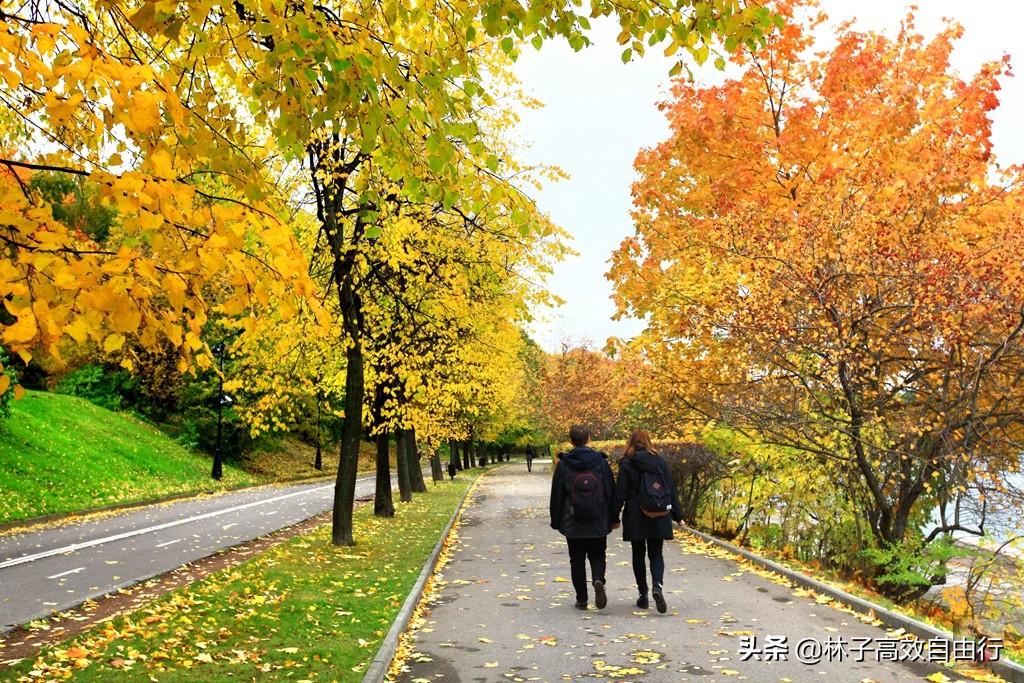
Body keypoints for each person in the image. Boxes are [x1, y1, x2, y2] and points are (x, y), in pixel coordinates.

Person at [549, 425, 619, 610]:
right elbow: (610, 491)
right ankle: (598, 579)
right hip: (598, 517)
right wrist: (613, 517)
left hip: (573, 520)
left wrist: (556, 521)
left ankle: (581, 599)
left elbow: (557, 493)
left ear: (571, 441)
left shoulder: (564, 463)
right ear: (589, 439)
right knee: (598, 553)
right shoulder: (600, 462)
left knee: (576, 558)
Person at [615, 429, 684, 614]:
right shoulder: (659, 462)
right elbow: (670, 488)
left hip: (635, 514)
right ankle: (657, 587)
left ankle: (643, 595)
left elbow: (620, 492)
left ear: (630, 443)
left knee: (638, 554)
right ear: (648, 442)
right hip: (659, 513)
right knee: (656, 554)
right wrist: (678, 515)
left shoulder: (627, 463)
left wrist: (613, 517)